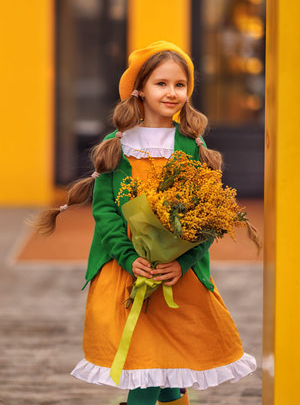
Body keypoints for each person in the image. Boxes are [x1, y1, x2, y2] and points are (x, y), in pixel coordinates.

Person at [34, 41, 256, 405]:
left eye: (180, 85)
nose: (172, 93)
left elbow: (209, 215)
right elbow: (105, 211)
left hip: (177, 278)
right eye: (161, 84)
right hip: (127, 275)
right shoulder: (118, 145)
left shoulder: (191, 146)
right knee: (146, 367)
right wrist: (127, 257)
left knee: (168, 369)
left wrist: (180, 262)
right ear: (139, 89)